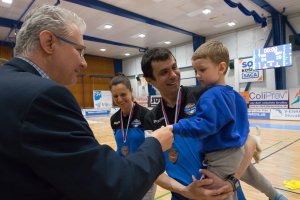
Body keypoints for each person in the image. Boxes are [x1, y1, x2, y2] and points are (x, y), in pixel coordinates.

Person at [0, 5, 174, 200]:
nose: (84, 63)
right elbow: (112, 187)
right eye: (79, 50)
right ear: (48, 42)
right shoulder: (45, 96)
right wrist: (156, 144)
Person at [171, 40, 287, 200]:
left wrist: (176, 127)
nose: (197, 75)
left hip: (220, 157)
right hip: (237, 151)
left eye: (202, 69)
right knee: (254, 177)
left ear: (221, 67)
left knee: (220, 193)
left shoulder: (210, 95)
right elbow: (244, 127)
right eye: (195, 70)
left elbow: (205, 125)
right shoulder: (236, 96)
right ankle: (276, 196)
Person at [141, 47, 245, 200]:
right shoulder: (151, 118)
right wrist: (186, 191)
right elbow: (153, 170)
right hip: (181, 195)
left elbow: (246, 142)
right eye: (164, 72)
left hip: (221, 192)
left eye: (174, 67)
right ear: (149, 80)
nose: (173, 75)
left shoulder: (205, 95)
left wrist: (232, 182)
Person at [109, 73, 156, 200]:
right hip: (124, 174)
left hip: (144, 175)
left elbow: (152, 150)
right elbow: (120, 146)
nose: (119, 99)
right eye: (115, 96)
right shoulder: (114, 119)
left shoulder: (146, 115)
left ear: (131, 91)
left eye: (123, 94)